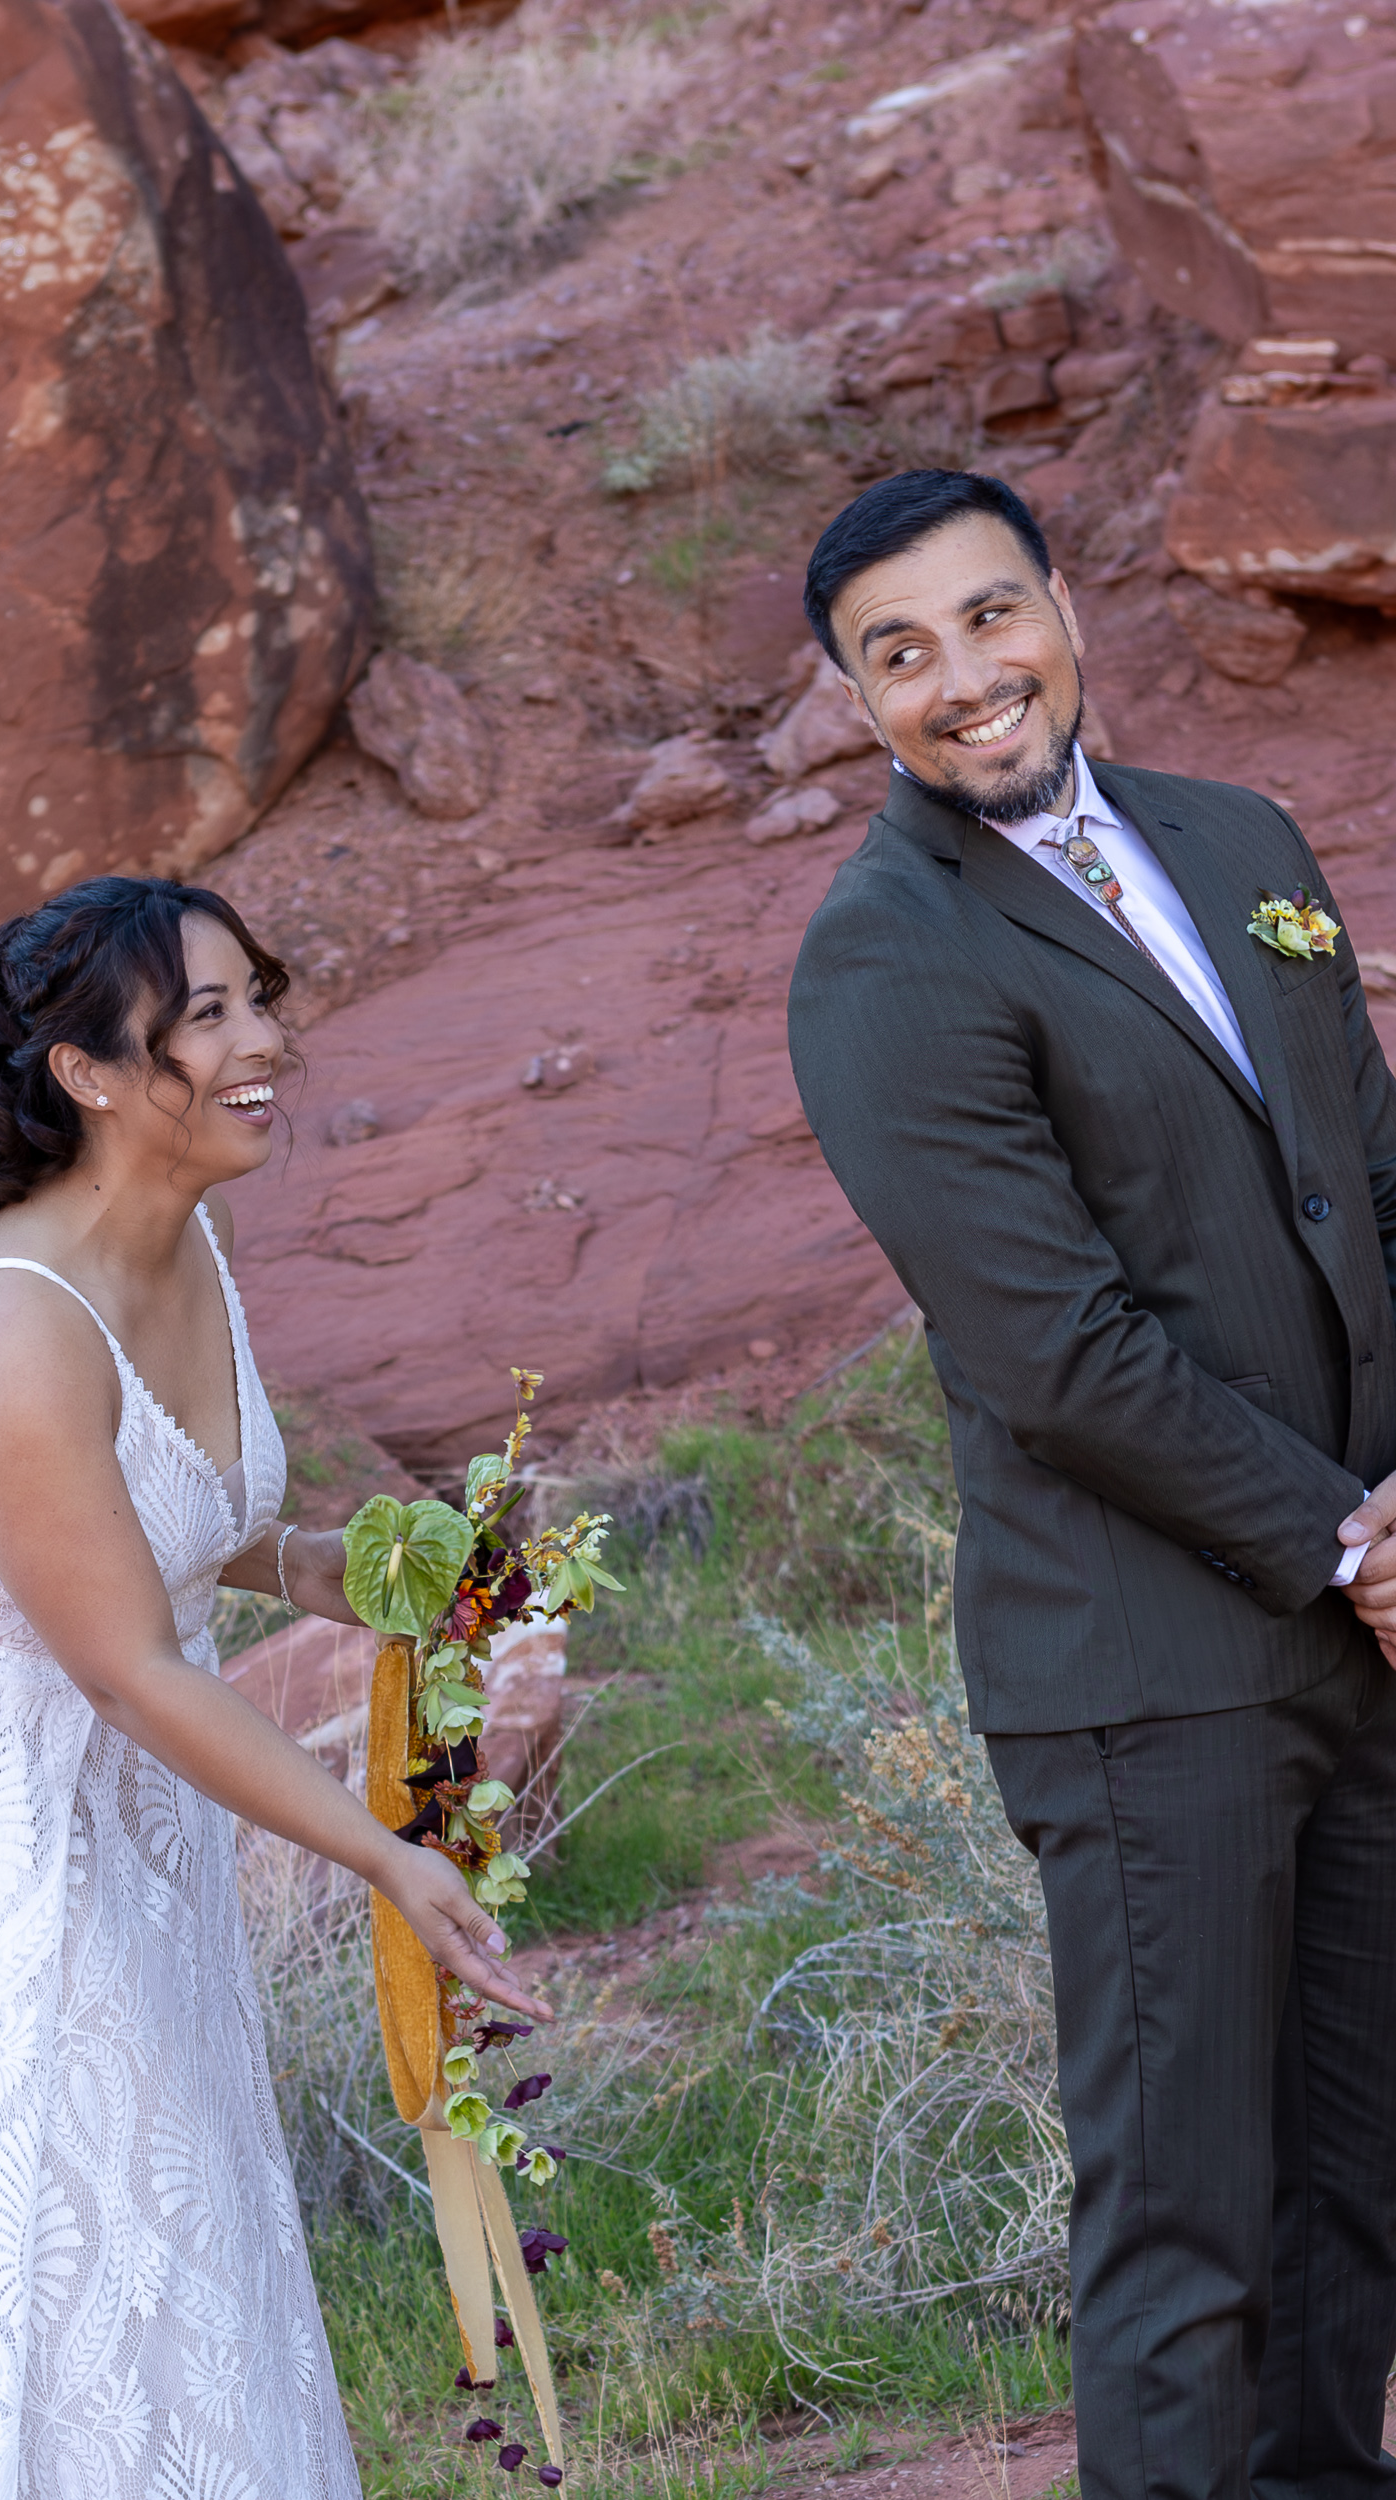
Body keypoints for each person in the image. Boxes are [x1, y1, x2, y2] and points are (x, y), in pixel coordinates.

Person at [0, 876, 549, 2500]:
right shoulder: (13, 1323)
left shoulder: (187, 1239)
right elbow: (130, 1669)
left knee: (168, 2202)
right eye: (211, 1016)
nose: (267, 1039)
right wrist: (384, 1855)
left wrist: (410, 1569)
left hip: (137, 1810)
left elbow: (220, 1537)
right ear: (89, 1071)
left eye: (256, 998)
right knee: (61, 2223)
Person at [786, 469, 1396, 2500]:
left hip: (1365, 1629)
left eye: (987, 617)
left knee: (1354, 2187)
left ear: (1062, 603)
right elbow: (1053, 1351)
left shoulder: (1245, 842)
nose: (965, 679)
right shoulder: (885, 958)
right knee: (1189, 2222)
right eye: (902, 654)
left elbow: (1370, 1193)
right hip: (1148, 1668)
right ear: (857, 702)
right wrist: (1350, 1540)